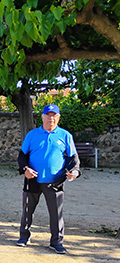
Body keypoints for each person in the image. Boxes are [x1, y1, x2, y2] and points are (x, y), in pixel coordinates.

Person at [17, 104, 80, 254]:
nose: (51, 118)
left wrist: (74, 171)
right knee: (27, 211)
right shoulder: (32, 135)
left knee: (56, 214)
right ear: (42, 117)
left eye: (54, 115)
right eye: (48, 115)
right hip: (33, 180)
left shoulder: (65, 135)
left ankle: (56, 242)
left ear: (58, 118)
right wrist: (25, 169)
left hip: (55, 182)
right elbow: (22, 156)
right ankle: (24, 237)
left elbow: (73, 159)